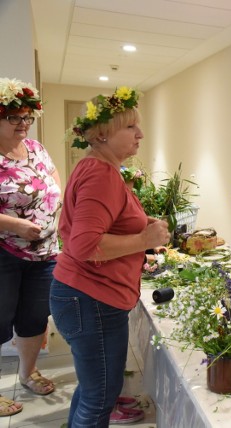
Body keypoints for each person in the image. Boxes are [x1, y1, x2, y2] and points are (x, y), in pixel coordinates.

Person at [49, 87, 171, 427]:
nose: (140, 134)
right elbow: (85, 245)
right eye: (130, 127)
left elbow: (93, 227)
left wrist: (141, 226)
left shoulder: (97, 168)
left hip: (86, 298)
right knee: (99, 397)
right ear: (102, 134)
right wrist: (144, 238)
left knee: (93, 391)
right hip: (92, 300)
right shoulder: (101, 174)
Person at [0, 78, 60, 417]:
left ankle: (27, 373)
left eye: (27, 117)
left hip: (45, 252)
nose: (23, 124)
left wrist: (57, 207)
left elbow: (53, 178)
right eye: (14, 117)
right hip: (5, 252)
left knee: (34, 317)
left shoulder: (36, 148)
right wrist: (17, 225)